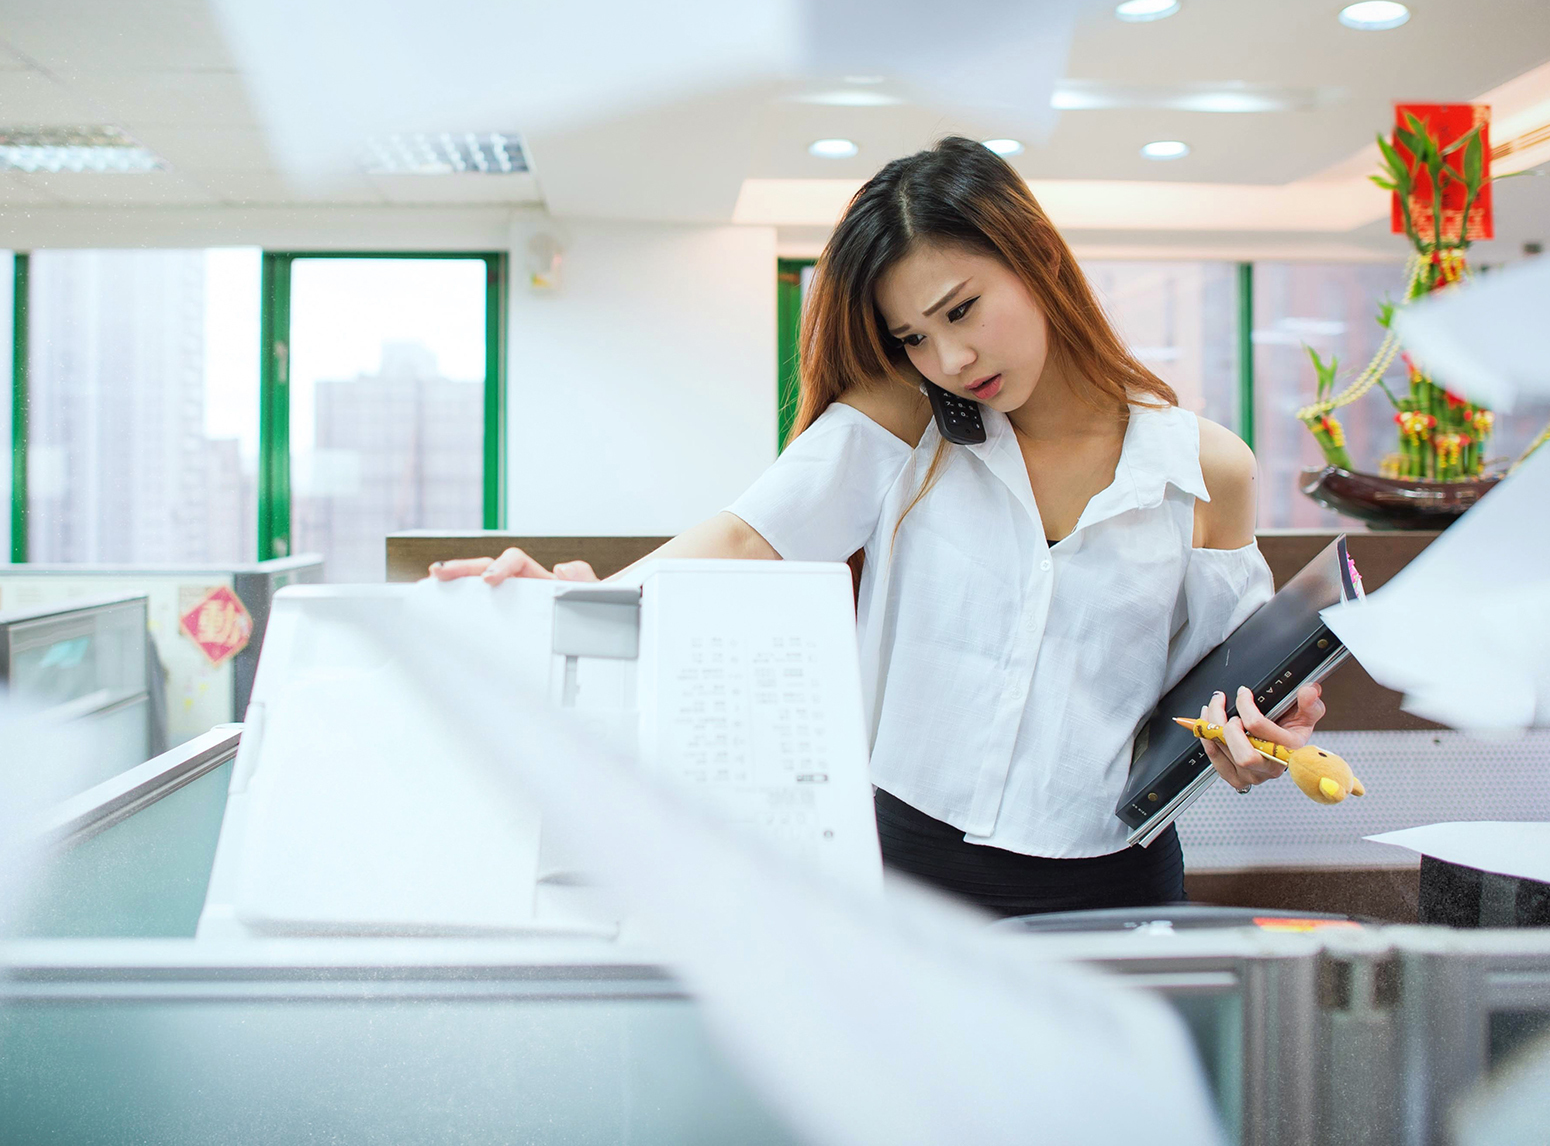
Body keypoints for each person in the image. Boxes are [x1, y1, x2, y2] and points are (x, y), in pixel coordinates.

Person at [432, 135, 1325, 918]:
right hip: (901, 874)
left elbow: (1208, 704)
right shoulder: (909, 421)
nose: (950, 359)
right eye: (914, 338)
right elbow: (749, 538)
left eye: (962, 310)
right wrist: (584, 596)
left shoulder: (1205, 469)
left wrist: (1256, 740)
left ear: (1039, 258)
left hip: (1113, 883)